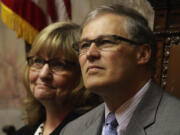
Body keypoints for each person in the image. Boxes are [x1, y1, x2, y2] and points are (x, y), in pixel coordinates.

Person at [59, 4, 180, 135]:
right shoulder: (72, 130)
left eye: (106, 42)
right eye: (84, 45)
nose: (90, 53)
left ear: (143, 54)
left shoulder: (175, 124)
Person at [15, 22, 101, 135]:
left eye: (58, 64)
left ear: (81, 74)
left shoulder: (94, 130)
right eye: (38, 61)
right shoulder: (23, 133)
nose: (43, 74)